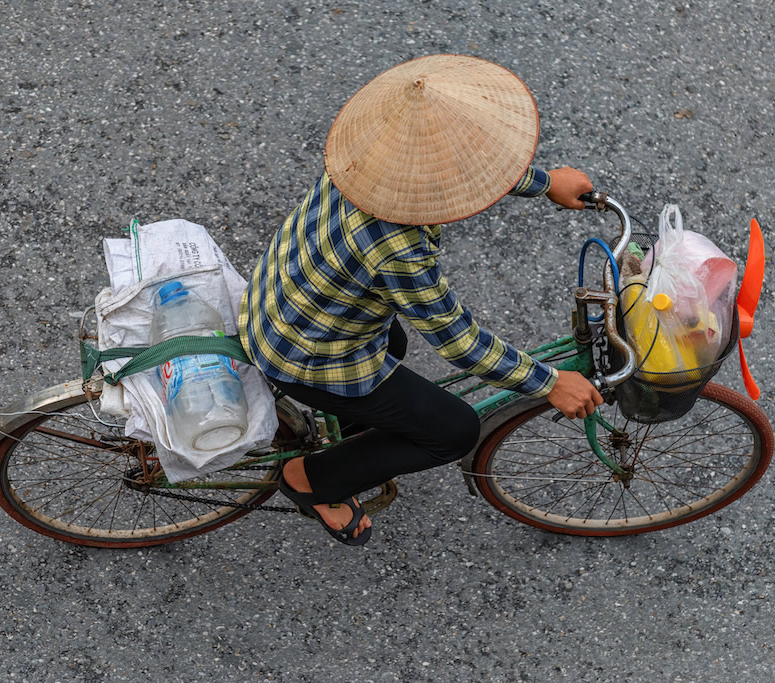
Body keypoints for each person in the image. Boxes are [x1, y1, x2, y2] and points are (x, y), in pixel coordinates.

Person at [238, 54, 603, 546]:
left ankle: (351, 430)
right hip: (306, 355)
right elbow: (459, 343)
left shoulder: (371, 157)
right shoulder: (400, 248)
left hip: (285, 297)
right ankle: (311, 480)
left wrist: (543, 183)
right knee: (454, 431)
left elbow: (461, 162)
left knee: (394, 343)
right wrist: (550, 382)